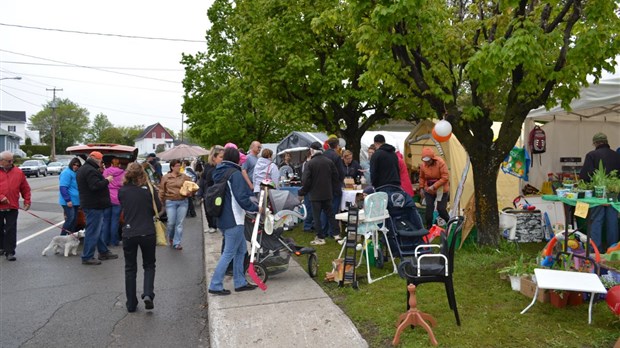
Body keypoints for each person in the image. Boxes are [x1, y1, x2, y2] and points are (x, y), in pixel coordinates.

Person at [208, 147, 259, 295]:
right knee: (229, 252)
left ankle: (240, 282)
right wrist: (256, 208)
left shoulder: (219, 171)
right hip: (234, 219)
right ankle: (215, 284)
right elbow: (241, 197)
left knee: (242, 249)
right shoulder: (235, 174)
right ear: (236, 159)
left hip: (223, 218)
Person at [118, 162, 161, 313]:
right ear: (142, 174)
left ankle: (131, 303)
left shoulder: (122, 191)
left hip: (129, 232)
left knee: (130, 268)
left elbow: (124, 208)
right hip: (147, 231)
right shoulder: (148, 190)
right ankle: (148, 293)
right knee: (149, 265)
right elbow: (159, 208)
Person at [579, 132, 620, 250]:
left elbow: (585, 176)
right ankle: (613, 248)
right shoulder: (617, 155)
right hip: (613, 193)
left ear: (595, 143)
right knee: (612, 220)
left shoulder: (592, 155)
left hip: (598, 194)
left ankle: (596, 249)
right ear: (606, 142)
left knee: (596, 219)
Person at [77, 151, 118, 265]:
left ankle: (103, 251)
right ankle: (87, 256)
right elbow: (95, 186)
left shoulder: (85, 169)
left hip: (90, 204)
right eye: (101, 160)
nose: (101, 163)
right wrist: (107, 180)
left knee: (97, 230)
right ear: (97, 159)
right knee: (93, 231)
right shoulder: (90, 170)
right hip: (93, 205)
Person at [298, 142, 339, 246]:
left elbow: (306, 181)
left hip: (315, 195)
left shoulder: (310, 163)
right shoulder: (329, 162)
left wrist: (302, 192)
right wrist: (333, 190)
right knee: (330, 214)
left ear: (312, 151)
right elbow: (336, 177)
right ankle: (336, 234)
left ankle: (320, 237)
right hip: (327, 193)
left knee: (317, 216)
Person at [0, 151, 31, 261]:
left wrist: (27, 200)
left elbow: (25, 188)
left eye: (12, 160)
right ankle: (2, 247)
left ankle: (10, 252)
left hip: (12, 206)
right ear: (1, 161)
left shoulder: (18, 172)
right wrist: (1, 197)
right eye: (9, 161)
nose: (11, 162)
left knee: (10, 230)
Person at [159, 159, 192, 250]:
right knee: (171, 223)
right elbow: (161, 190)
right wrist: (160, 202)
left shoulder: (184, 176)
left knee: (179, 223)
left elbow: (192, 185)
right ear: (172, 167)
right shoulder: (166, 177)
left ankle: (177, 242)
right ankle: (171, 237)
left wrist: (189, 192)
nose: (178, 167)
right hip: (170, 202)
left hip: (183, 201)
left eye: (179, 165)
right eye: (177, 166)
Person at [419, 147, 450, 228]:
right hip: (428, 190)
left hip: (442, 189)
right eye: (425, 161)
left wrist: (434, 186)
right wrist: (421, 188)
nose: (427, 162)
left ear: (433, 158)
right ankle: (428, 227)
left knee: (441, 209)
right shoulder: (423, 165)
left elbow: (445, 177)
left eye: (428, 160)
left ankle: (449, 223)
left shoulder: (441, 163)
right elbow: (422, 177)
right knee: (429, 208)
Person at [197, 145, 225, 233]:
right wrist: (200, 193)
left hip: (219, 193)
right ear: (214, 157)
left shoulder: (224, 167)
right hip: (209, 192)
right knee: (209, 210)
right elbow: (203, 180)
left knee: (219, 210)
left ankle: (217, 225)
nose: (223, 159)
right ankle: (212, 226)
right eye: (221, 157)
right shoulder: (208, 167)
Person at [321, 137, 345, 239]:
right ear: (337, 145)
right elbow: (341, 172)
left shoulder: (323, 155)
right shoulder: (336, 156)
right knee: (333, 209)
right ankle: (333, 231)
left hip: (323, 186)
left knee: (324, 209)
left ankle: (323, 230)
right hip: (334, 186)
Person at [101, 156, 124, 247]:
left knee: (106, 221)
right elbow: (124, 184)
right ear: (119, 165)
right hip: (117, 199)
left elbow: (102, 182)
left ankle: (104, 241)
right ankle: (114, 241)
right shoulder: (123, 173)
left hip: (106, 198)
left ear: (111, 164)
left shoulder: (106, 171)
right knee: (115, 221)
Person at [58, 157, 81, 235]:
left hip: (76, 201)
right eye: (74, 164)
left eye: (78, 165)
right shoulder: (66, 173)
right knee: (70, 218)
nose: (75, 166)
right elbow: (63, 187)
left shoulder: (76, 173)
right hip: (68, 201)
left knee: (74, 219)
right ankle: (62, 236)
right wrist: (68, 200)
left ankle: (71, 236)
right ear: (71, 164)